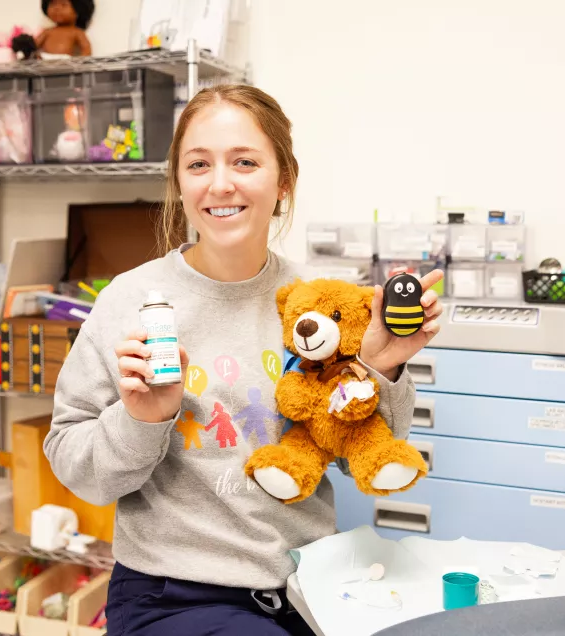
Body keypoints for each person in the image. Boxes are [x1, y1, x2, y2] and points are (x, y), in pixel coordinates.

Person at [45, 84, 444, 635]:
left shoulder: (321, 302)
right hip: (171, 596)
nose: (221, 184)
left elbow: (363, 462)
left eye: (245, 162)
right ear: (179, 183)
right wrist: (140, 420)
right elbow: (76, 467)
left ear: (284, 181)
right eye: (199, 164)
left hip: (310, 588)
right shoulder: (130, 300)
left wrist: (381, 368)